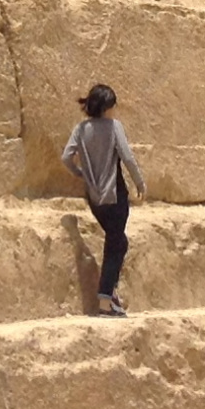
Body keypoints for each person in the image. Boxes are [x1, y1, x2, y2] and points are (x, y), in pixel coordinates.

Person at [60, 82, 146, 317]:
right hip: (115, 195)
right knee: (114, 244)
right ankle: (106, 302)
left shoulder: (80, 129)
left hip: (94, 198)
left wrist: (81, 174)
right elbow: (127, 157)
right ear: (107, 106)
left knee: (119, 242)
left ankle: (111, 295)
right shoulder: (114, 127)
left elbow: (66, 157)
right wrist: (140, 182)